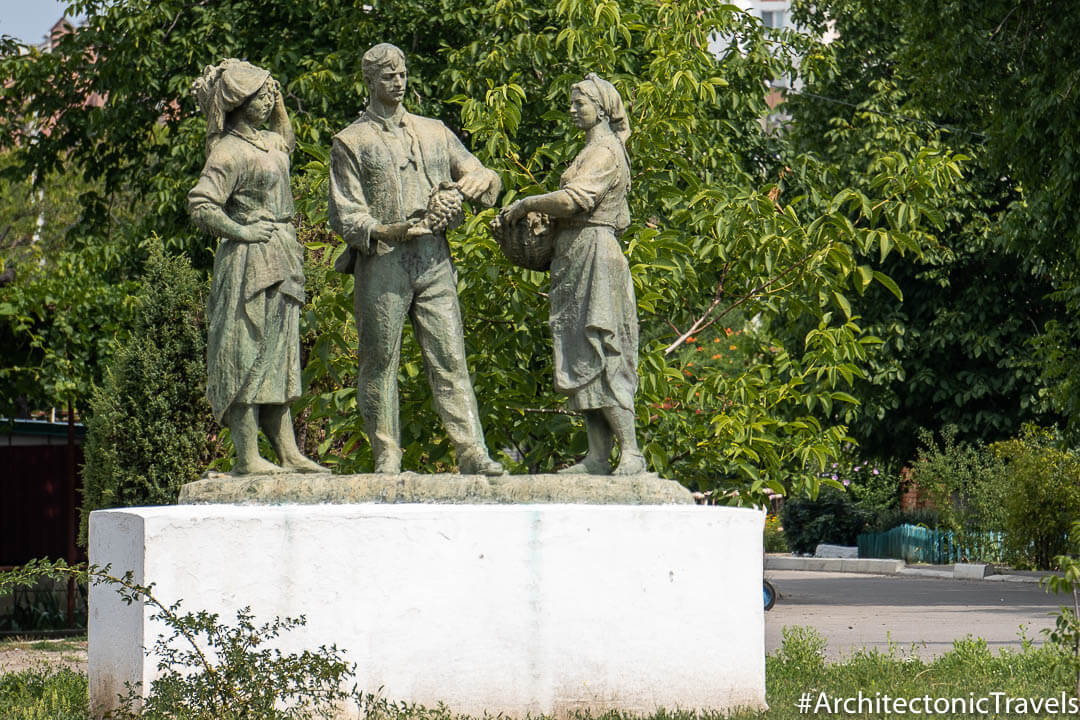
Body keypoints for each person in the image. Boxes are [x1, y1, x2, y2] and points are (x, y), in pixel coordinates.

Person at [328, 43, 504, 475]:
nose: (400, 82)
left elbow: (486, 175)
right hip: (383, 262)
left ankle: (472, 452)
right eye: (390, 76)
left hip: (433, 259)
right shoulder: (351, 141)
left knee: (451, 358)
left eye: (403, 74)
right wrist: (389, 230)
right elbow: (345, 214)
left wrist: (460, 193)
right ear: (370, 81)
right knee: (379, 361)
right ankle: (387, 456)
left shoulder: (434, 130)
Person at [499, 74, 645, 475]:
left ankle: (630, 452)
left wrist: (528, 202)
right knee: (583, 355)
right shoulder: (590, 149)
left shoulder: (604, 152)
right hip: (576, 258)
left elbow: (578, 198)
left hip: (596, 255)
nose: (572, 110)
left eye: (578, 103)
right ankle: (598, 456)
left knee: (603, 349)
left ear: (599, 108)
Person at [188, 59, 326, 475]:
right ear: (240, 101)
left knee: (279, 355)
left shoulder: (269, 142)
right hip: (248, 262)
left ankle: (287, 451)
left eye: (271, 94)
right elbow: (200, 205)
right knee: (245, 352)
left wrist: (279, 100)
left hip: (282, 254)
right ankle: (247, 456)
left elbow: (286, 140)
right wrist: (241, 230)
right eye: (262, 95)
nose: (269, 101)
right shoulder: (228, 150)